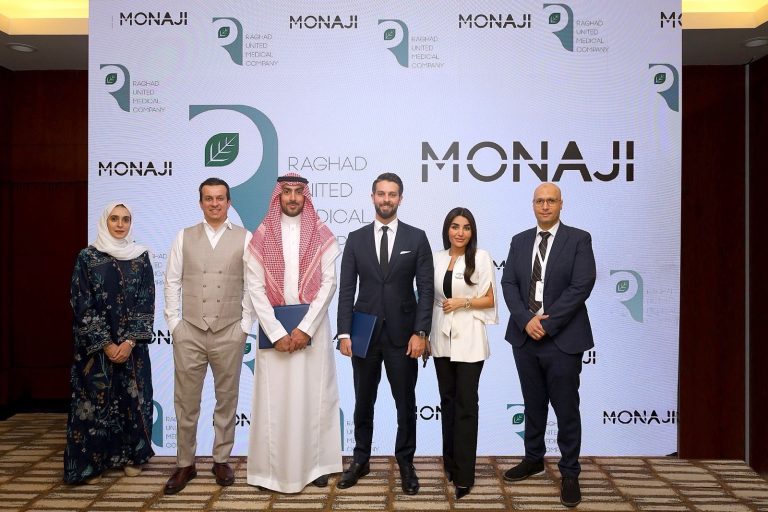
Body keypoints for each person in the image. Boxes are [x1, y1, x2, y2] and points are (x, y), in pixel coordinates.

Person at [336, 172, 434, 495]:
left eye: (392, 194)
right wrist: (344, 333)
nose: (386, 199)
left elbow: (426, 290)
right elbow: (347, 289)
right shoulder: (355, 238)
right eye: (381, 194)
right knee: (363, 401)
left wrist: (421, 332)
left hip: (403, 336)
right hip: (364, 335)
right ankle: (360, 459)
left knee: (405, 403)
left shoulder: (416, 238)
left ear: (400, 198)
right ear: (372, 197)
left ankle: (405, 462)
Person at [500, 182, 596, 508]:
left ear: (561, 204)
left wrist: (547, 324)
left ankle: (569, 472)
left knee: (566, 408)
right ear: (533, 204)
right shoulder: (519, 240)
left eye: (551, 201)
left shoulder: (579, 239)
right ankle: (533, 460)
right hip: (524, 336)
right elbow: (509, 283)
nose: (545, 206)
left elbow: (581, 285)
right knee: (533, 403)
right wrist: (526, 319)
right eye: (540, 200)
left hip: (563, 338)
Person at [245, 173, 342, 492]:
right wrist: (276, 332)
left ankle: (317, 467)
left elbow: (329, 284)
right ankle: (269, 473)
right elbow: (255, 287)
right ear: (278, 196)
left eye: (298, 192)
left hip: (312, 331)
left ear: (306, 196)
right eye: (286, 192)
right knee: (274, 404)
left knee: (314, 400)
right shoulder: (261, 237)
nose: (292, 197)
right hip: (274, 334)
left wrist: (304, 329)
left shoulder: (322, 235)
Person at [163, 177, 254, 495]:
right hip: (189, 331)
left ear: (229, 202)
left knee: (227, 399)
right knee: (186, 401)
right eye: (208, 198)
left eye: (220, 198)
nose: (214, 203)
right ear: (200, 202)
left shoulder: (245, 238)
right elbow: (172, 281)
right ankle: (184, 463)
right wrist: (174, 323)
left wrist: (244, 325)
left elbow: (251, 285)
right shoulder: (184, 236)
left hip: (229, 330)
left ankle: (221, 459)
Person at [65, 202, 155, 484]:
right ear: (105, 221)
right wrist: (106, 344)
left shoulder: (140, 256)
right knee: (94, 403)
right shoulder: (87, 257)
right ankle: (94, 463)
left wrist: (129, 342)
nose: (120, 224)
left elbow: (146, 301)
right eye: (114, 219)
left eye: (125, 219)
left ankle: (132, 457)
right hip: (96, 350)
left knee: (133, 401)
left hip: (132, 348)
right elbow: (81, 302)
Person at [430, 207, 497, 499]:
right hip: (441, 336)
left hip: (470, 338)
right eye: (455, 226)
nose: (460, 232)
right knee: (447, 401)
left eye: (466, 227)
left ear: (472, 231)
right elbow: (429, 298)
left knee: (466, 405)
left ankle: (465, 475)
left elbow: (490, 299)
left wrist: (462, 302)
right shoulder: (436, 258)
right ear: (447, 229)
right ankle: (451, 464)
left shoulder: (480, 257)